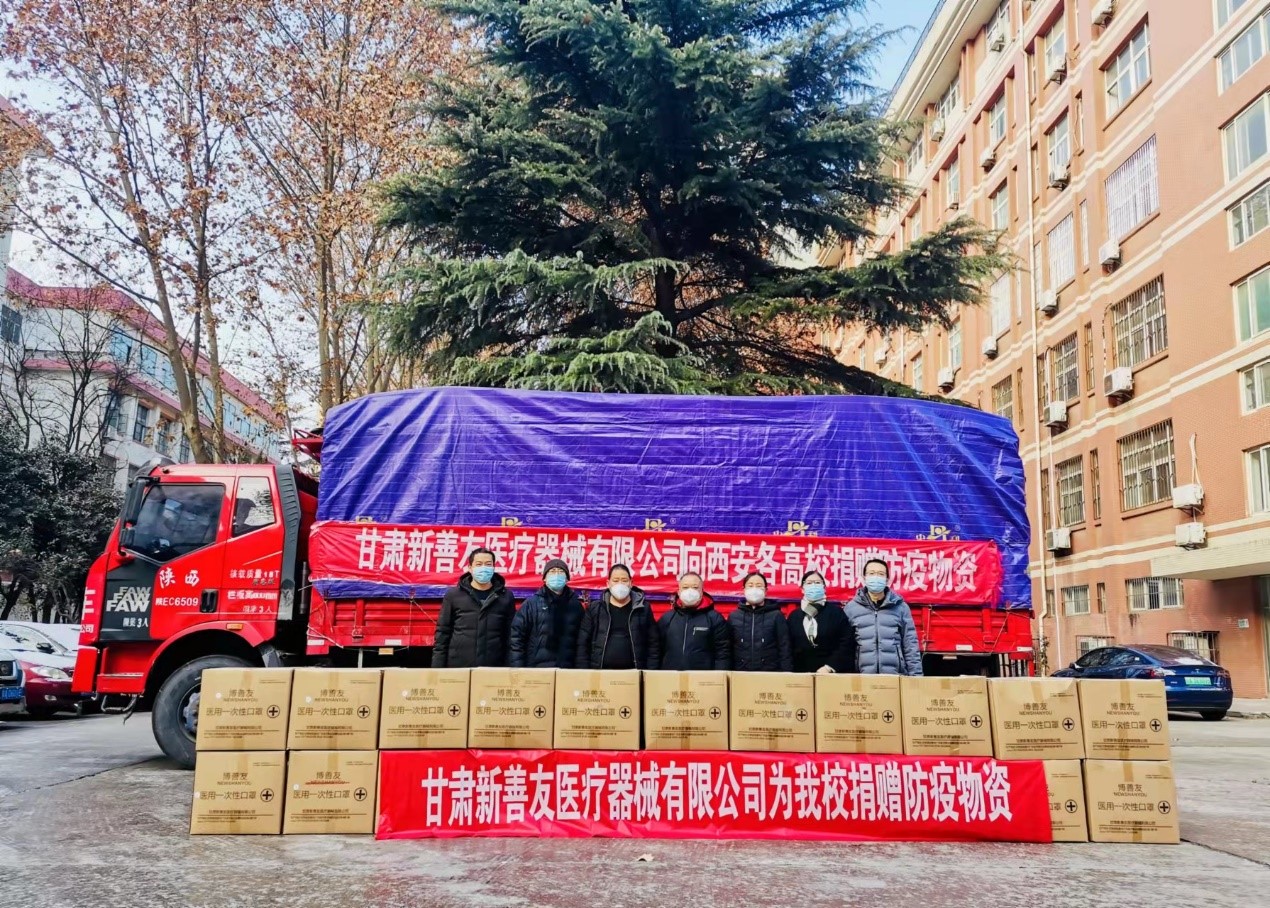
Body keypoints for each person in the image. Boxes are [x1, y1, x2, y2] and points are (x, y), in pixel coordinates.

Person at [432, 548, 516, 668]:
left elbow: (510, 636)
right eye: (479, 564)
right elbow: (442, 634)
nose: (484, 568)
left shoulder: (505, 596)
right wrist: (437, 669)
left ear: (493, 567)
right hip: (458, 666)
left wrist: (510, 668)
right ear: (470, 568)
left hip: (493, 667)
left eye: (488, 564)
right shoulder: (454, 595)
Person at [843, 557, 923, 676]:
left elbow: (910, 644)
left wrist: (916, 676)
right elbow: (844, 647)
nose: (876, 577)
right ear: (864, 577)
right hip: (862, 677)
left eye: (881, 574)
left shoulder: (900, 607)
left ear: (887, 579)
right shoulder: (851, 608)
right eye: (871, 573)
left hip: (895, 676)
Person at [575, 564, 660, 670]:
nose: (620, 584)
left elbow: (653, 644)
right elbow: (583, 643)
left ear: (631, 583)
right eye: (615, 580)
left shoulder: (643, 609)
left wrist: (650, 673)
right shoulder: (595, 608)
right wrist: (583, 672)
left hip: (634, 673)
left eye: (624, 580)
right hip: (600, 672)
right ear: (608, 583)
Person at [509, 559, 584, 668]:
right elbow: (516, 639)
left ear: (567, 578)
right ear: (544, 578)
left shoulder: (576, 606)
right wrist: (518, 669)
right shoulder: (531, 604)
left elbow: (581, 642)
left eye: (561, 572)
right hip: (536, 670)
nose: (557, 575)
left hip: (567, 670)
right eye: (552, 571)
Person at [658, 571, 730, 671]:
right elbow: (656, 650)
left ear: (702, 591)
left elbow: (723, 652)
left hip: (703, 677)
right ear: (678, 591)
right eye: (685, 587)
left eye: (695, 587)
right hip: (672, 676)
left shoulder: (715, 618)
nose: (690, 591)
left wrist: (719, 677)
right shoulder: (667, 618)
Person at [787, 570, 856, 674]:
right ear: (802, 589)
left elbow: (846, 642)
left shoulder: (836, 613)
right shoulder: (794, 616)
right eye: (809, 583)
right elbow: (789, 647)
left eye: (817, 583)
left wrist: (829, 667)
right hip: (802, 675)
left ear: (824, 588)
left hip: (832, 674)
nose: (813, 586)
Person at [727, 572, 792, 672]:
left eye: (759, 586)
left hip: (769, 673)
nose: (754, 589)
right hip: (740, 673)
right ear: (744, 589)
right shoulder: (734, 616)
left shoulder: (776, 615)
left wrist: (786, 673)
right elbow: (727, 649)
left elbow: (784, 648)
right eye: (750, 585)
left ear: (765, 590)